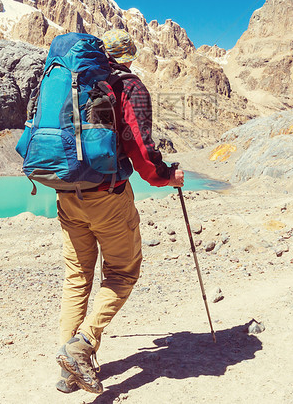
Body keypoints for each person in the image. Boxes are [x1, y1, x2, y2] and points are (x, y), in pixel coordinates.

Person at [55, 28, 184, 394]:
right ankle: (82, 345)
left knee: (77, 277)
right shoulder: (127, 85)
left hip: (67, 192)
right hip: (107, 197)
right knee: (122, 273)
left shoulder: (69, 79)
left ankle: (68, 372)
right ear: (128, 55)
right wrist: (166, 176)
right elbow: (141, 147)